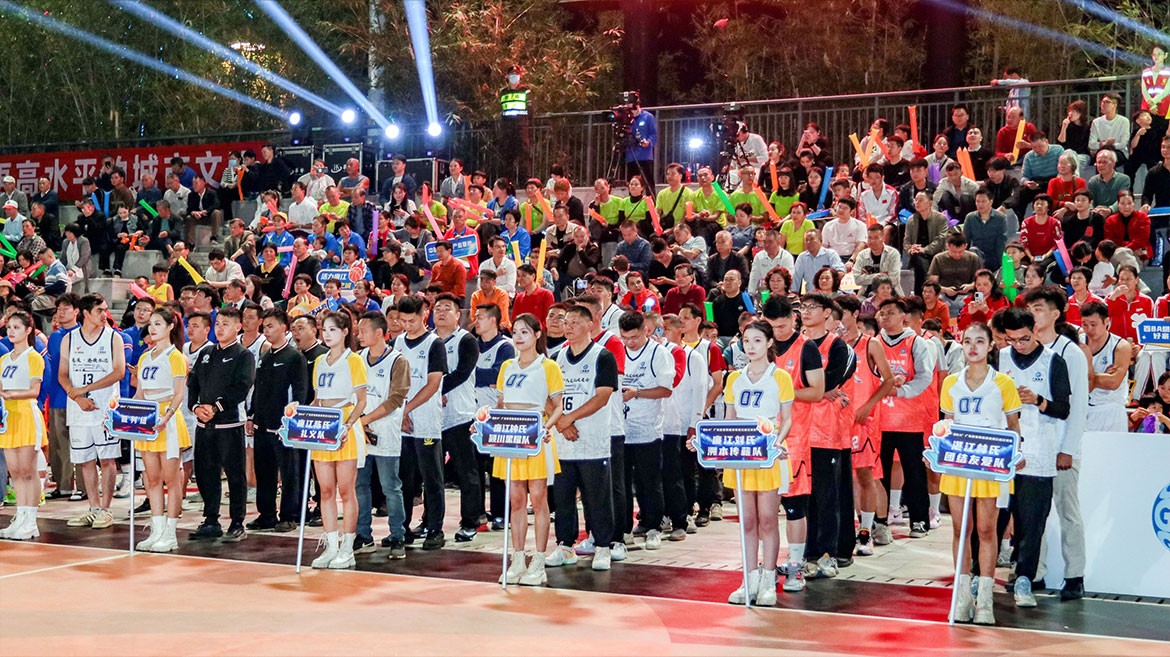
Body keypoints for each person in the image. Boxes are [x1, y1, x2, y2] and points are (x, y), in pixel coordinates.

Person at [698, 319, 793, 605]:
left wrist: (777, 442)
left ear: (769, 343)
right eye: (746, 341)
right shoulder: (734, 379)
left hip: (768, 454)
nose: (751, 346)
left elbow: (787, 419)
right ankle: (749, 579)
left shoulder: (780, 377)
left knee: (768, 520)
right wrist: (706, 442)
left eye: (757, 341)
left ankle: (768, 579)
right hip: (741, 454)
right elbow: (729, 420)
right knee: (747, 522)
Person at [938, 321, 1023, 625]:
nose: (972, 347)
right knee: (960, 530)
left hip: (990, 462)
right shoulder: (951, 383)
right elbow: (946, 423)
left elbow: (1013, 426)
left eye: (979, 341)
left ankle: (985, 600)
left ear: (990, 346)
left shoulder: (1003, 383)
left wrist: (1016, 455)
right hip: (959, 462)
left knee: (987, 530)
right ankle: (962, 598)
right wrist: (936, 446)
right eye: (967, 341)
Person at [993, 308, 1072, 608]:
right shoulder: (1000, 358)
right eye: (1012, 340)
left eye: (1024, 339)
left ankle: (1025, 578)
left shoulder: (1053, 361)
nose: (1018, 345)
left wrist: (1037, 400)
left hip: (1039, 452)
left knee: (1031, 523)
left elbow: (1063, 408)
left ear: (1035, 330)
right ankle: (980, 577)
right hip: (1003, 452)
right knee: (993, 520)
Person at [491, 313, 564, 584]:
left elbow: (558, 406)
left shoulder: (548, 366)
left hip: (535, 437)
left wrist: (547, 427)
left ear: (537, 335)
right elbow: (501, 404)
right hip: (511, 438)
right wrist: (487, 423)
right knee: (516, 501)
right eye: (515, 332)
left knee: (539, 498)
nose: (519, 337)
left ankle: (539, 561)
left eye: (524, 332)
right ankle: (518, 559)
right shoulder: (507, 366)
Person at [547, 303, 619, 571]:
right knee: (563, 498)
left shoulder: (603, 356)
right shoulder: (556, 358)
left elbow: (602, 396)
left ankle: (603, 546)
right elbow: (547, 395)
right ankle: (565, 546)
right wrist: (561, 422)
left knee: (597, 497)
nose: (568, 327)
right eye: (566, 322)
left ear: (590, 324)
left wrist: (570, 417)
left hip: (593, 441)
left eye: (574, 322)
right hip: (564, 441)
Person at [302, 312, 368, 569]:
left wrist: (348, 425)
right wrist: (300, 414)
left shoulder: (354, 360)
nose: (327, 334)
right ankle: (331, 545)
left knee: (346, 490)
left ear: (345, 332)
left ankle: (348, 548)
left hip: (344, 426)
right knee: (326, 490)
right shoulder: (319, 361)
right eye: (324, 329)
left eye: (332, 329)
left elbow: (361, 401)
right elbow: (317, 399)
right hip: (323, 426)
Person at [187, 306, 255, 542]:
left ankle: (237, 523)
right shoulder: (207, 352)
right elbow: (193, 383)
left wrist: (216, 408)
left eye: (226, 324)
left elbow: (242, 387)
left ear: (238, 327)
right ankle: (210, 520)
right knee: (206, 473)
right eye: (218, 324)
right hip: (204, 425)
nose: (220, 328)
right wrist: (195, 407)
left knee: (235, 475)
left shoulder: (243, 355)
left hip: (229, 426)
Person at [836, 296, 895, 555]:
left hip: (862, 421)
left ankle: (866, 533)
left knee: (865, 476)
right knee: (844, 480)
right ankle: (848, 530)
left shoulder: (871, 344)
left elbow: (888, 380)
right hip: (837, 421)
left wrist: (869, 405)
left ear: (855, 314)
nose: (838, 319)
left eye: (842, 314)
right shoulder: (833, 344)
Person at [61, 294, 126, 531]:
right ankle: (94, 508)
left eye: (106, 309)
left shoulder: (113, 337)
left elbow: (119, 372)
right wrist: (77, 397)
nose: (104, 314)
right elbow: (62, 374)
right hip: (78, 407)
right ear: (85, 313)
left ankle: (106, 509)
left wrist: (85, 389)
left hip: (105, 407)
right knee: (85, 460)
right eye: (100, 310)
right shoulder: (69, 338)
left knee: (107, 458)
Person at [128, 307, 191, 552]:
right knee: (152, 478)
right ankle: (156, 529)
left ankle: (171, 532)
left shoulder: (176, 357)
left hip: (168, 421)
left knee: (171, 479)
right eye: (151, 324)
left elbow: (179, 394)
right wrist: (123, 414)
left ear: (170, 326)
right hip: (148, 419)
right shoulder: (145, 357)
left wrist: (167, 417)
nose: (152, 328)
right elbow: (139, 393)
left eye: (157, 324)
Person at [353, 311, 411, 560]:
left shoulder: (398, 361)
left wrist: (365, 420)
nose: (359, 334)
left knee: (390, 487)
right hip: (360, 432)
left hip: (385, 431)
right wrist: (357, 422)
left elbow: (396, 399)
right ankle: (363, 535)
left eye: (363, 330)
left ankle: (398, 536)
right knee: (360, 485)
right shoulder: (357, 358)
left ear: (379, 333)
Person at [875, 297, 934, 538]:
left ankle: (919, 520)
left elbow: (924, 377)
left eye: (891, 312)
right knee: (880, 473)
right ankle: (879, 521)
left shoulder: (916, 342)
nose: (886, 317)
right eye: (882, 313)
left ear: (903, 317)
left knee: (914, 472)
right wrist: (883, 384)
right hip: (880, 419)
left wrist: (901, 389)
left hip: (909, 419)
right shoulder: (874, 342)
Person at [247, 309, 310, 534]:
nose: (266, 330)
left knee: (289, 472)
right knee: (264, 471)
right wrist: (251, 415)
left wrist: (291, 421)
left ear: (284, 328)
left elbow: (300, 391)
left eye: (271, 326)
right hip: (262, 424)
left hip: (283, 426)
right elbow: (257, 389)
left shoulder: (294, 357)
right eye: (264, 326)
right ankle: (266, 515)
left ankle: (289, 516)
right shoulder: (265, 356)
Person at [616, 311, 674, 550]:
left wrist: (637, 393)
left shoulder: (658, 353)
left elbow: (666, 390)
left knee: (649, 482)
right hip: (621, 428)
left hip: (647, 429)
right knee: (621, 483)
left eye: (634, 337)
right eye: (625, 338)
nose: (630, 342)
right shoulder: (617, 350)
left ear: (645, 331)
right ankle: (623, 528)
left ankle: (653, 527)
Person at [394, 296, 448, 549]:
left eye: (412, 321)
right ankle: (401, 528)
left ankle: (435, 528)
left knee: (432, 477)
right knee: (404, 478)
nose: (407, 326)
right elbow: (394, 381)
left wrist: (407, 408)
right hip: (401, 422)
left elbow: (433, 384)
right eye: (403, 321)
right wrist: (400, 412)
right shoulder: (398, 342)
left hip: (426, 421)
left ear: (424, 315)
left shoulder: (434, 344)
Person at [0, 312, 46, 540]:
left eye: (16, 327)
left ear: (28, 330)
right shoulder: (4, 360)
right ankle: (20, 515)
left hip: (27, 414)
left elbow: (34, 390)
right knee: (15, 471)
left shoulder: (33, 357)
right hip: (8, 417)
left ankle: (31, 520)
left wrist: (11, 394)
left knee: (28, 470)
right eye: (9, 327)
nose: (11, 331)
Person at [498, 66, 532, 182]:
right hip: (507, 128)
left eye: (516, 74)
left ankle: (525, 181)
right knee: (508, 156)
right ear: (507, 76)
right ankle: (508, 182)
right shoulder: (503, 92)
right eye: (512, 74)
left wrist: (526, 124)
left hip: (521, 127)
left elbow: (531, 110)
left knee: (524, 154)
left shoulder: (525, 91)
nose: (514, 77)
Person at [851, 224, 903, 296]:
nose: (872, 241)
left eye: (876, 238)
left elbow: (893, 280)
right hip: (866, 294)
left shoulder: (893, 254)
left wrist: (867, 277)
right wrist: (878, 276)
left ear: (883, 238)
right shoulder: (862, 255)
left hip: (890, 294)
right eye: (869, 238)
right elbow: (857, 279)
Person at [792, 230, 844, 296]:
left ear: (820, 241)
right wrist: (794, 293)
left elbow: (840, 272)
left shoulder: (830, 254)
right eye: (806, 240)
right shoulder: (802, 257)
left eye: (812, 239)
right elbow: (796, 277)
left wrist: (827, 285)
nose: (808, 242)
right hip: (812, 296)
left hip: (831, 294)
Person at [624, 93, 658, 191]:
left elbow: (654, 134)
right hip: (631, 156)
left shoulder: (648, 117)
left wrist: (648, 142)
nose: (632, 112)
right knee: (632, 183)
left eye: (633, 109)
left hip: (645, 156)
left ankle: (651, 199)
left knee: (648, 183)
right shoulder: (626, 118)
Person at [1089, 93, 1131, 165]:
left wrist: (1109, 145)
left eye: (1107, 102)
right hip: (1102, 151)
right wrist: (1104, 144)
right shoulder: (1096, 122)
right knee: (1101, 158)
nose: (1103, 104)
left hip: (1118, 151)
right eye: (1102, 102)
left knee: (1108, 158)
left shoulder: (1124, 121)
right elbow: (1091, 144)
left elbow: (1123, 144)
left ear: (1115, 105)